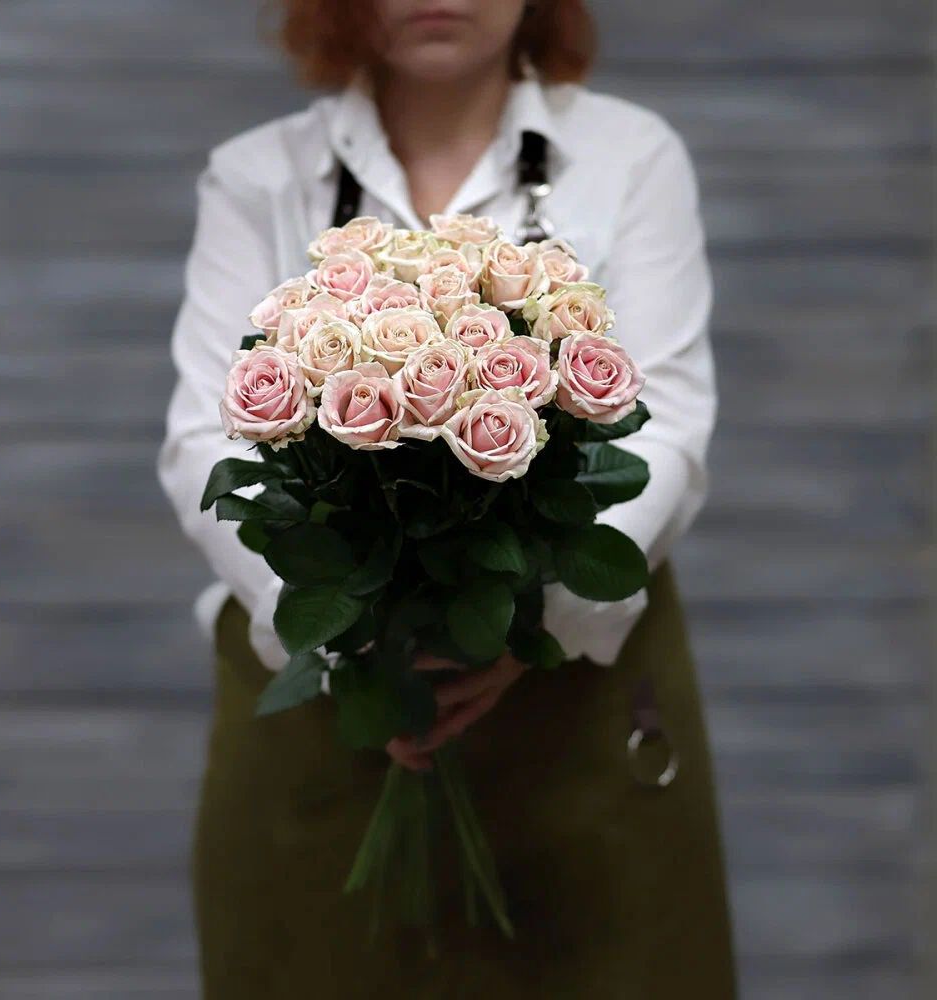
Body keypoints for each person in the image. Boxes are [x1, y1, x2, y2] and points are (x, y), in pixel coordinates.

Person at [157, 0, 736, 995]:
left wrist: (531, 617)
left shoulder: (628, 156)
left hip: (573, 705)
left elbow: (668, 422)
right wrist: (349, 634)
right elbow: (200, 438)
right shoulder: (257, 176)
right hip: (326, 721)